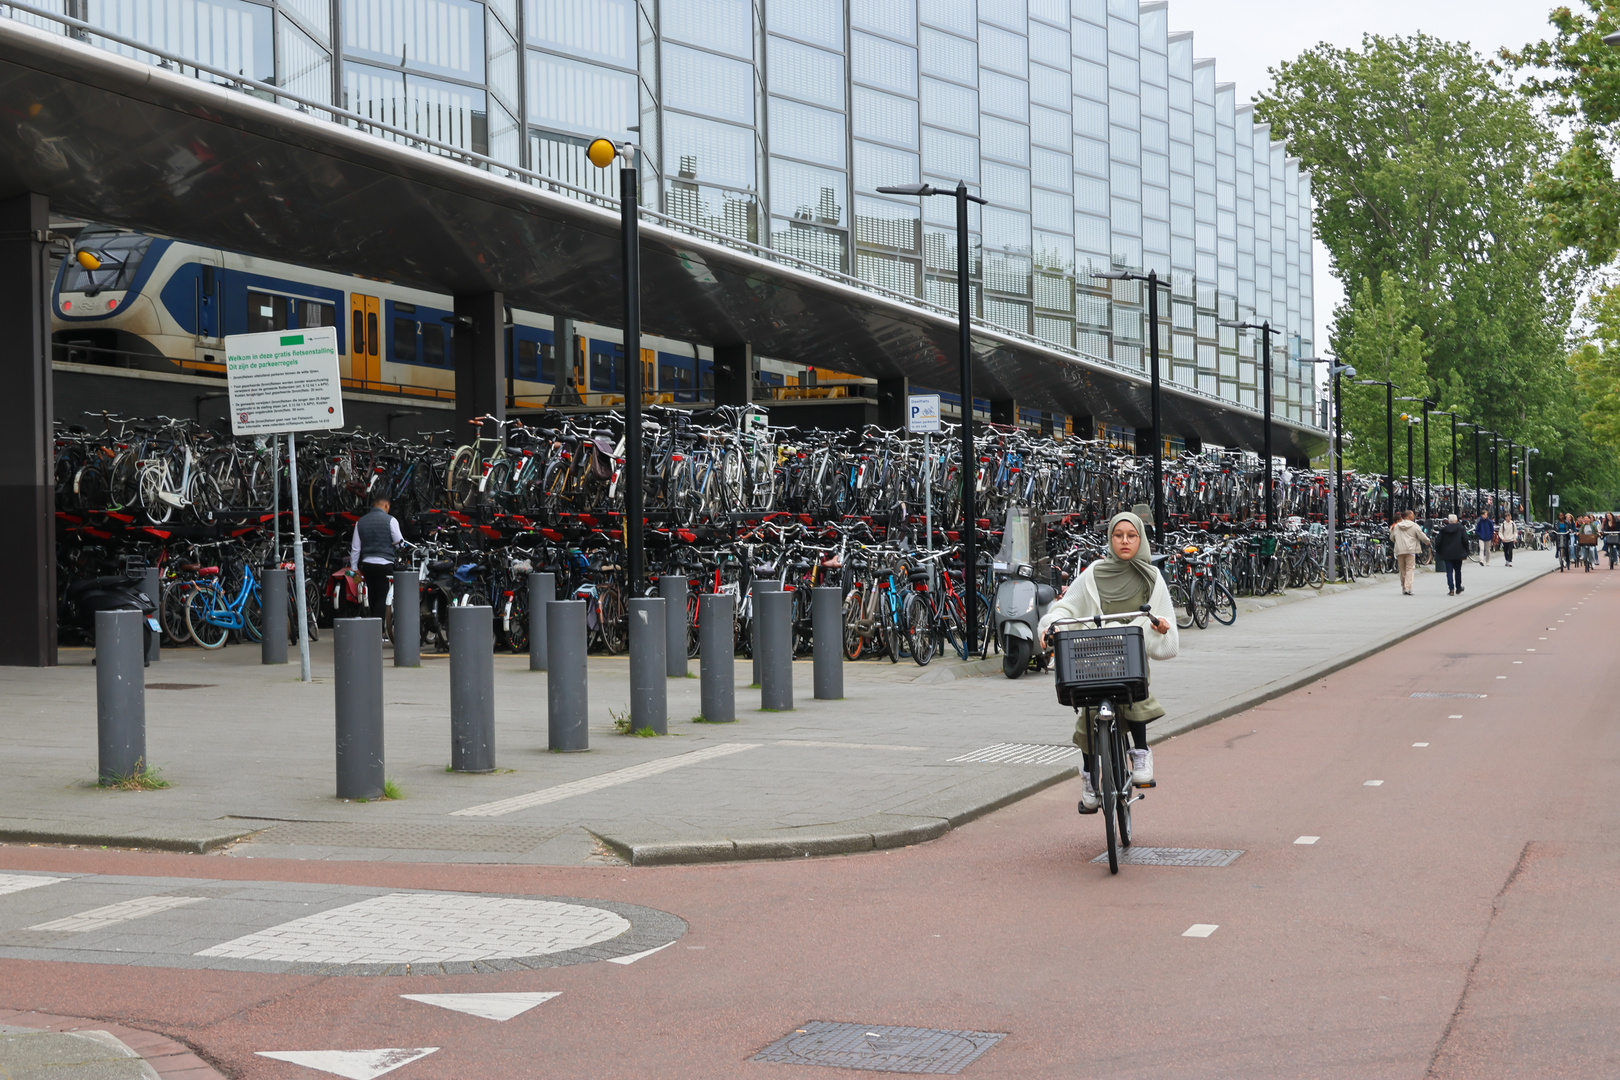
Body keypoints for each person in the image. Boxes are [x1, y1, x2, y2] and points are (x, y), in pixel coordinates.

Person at [1038, 511, 1179, 812]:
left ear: (1140, 539)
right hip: (1094, 657)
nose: (1125, 541)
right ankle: (1090, 777)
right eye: (1118, 535)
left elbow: (1168, 636)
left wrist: (1161, 627)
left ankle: (1140, 752)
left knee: (1134, 690)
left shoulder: (1151, 579)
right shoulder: (1093, 574)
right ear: (1110, 539)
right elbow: (1066, 607)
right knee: (1088, 713)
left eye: (1131, 536)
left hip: (1130, 660)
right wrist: (1052, 625)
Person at [349, 496, 404, 621]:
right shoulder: (391, 520)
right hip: (385, 563)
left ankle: (373, 626)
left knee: (372, 595)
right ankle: (378, 629)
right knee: (382, 596)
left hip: (367, 564)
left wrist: (354, 567)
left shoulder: (360, 522)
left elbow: (356, 548)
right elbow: (399, 541)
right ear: (385, 505)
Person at [1389, 509, 1431, 595]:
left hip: (1400, 550)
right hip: (1411, 549)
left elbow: (1392, 537)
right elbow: (1421, 535)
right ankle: (1408, 588)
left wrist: (1398, 543)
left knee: (1402, 569)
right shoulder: (1414, 526)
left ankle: (1404, 587)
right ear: (1409, 516)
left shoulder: (1397, 526)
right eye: (1412, 515)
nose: (1414, 516)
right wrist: (1427, 541)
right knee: (1409, 569)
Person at [1435, 513, 1469, 596]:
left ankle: (1451, 589)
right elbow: (1465, 540)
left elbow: (1438, 542)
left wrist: (1439, 551)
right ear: (1456, 520)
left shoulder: (1443, 530)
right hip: (1458, 553)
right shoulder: (1461, 528)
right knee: (1458, 570)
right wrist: (1466, 551)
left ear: (1448, 521)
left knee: (1449, 571)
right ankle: (1458, 587)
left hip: (1447, 553)